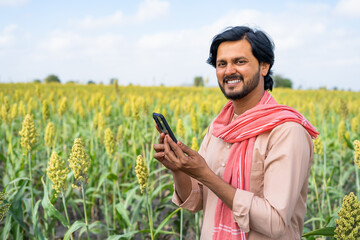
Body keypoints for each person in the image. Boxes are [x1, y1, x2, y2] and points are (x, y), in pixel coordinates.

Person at [153, 26, 319, 240]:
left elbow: (275, 222)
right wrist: (179, 169)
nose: (229, 70)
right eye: (222, 64)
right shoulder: (219, 127)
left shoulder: (286, 131)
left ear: (264, 66)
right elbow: (197, 202)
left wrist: (206, 175)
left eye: (239, 62)